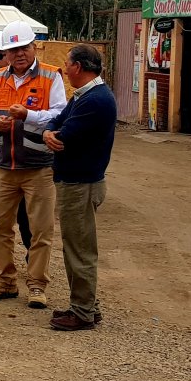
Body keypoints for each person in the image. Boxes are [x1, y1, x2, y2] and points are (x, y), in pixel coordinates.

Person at [0, 20, 66, 309]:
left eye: (23, 48)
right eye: (12, 50)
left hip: (38, 166)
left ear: (33, 46)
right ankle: (5, 281)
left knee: (41, 230)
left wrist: (28, 115)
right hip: (3, 166)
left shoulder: (51, 77)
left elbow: (59, 114)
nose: (19, 54)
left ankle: (37, 285)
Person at [43, 44, 117, 331]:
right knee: (77, 246)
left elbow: (66, 133)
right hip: (78, 180)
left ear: (79, 67)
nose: (64, 68)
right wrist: (51, 131)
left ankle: (83, 311)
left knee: (80, 249)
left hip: (81, 183)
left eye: (67, 63)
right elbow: (57, 122)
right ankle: (85, 304)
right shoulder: (87, 95)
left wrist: (52, 132)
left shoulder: (96, 100)